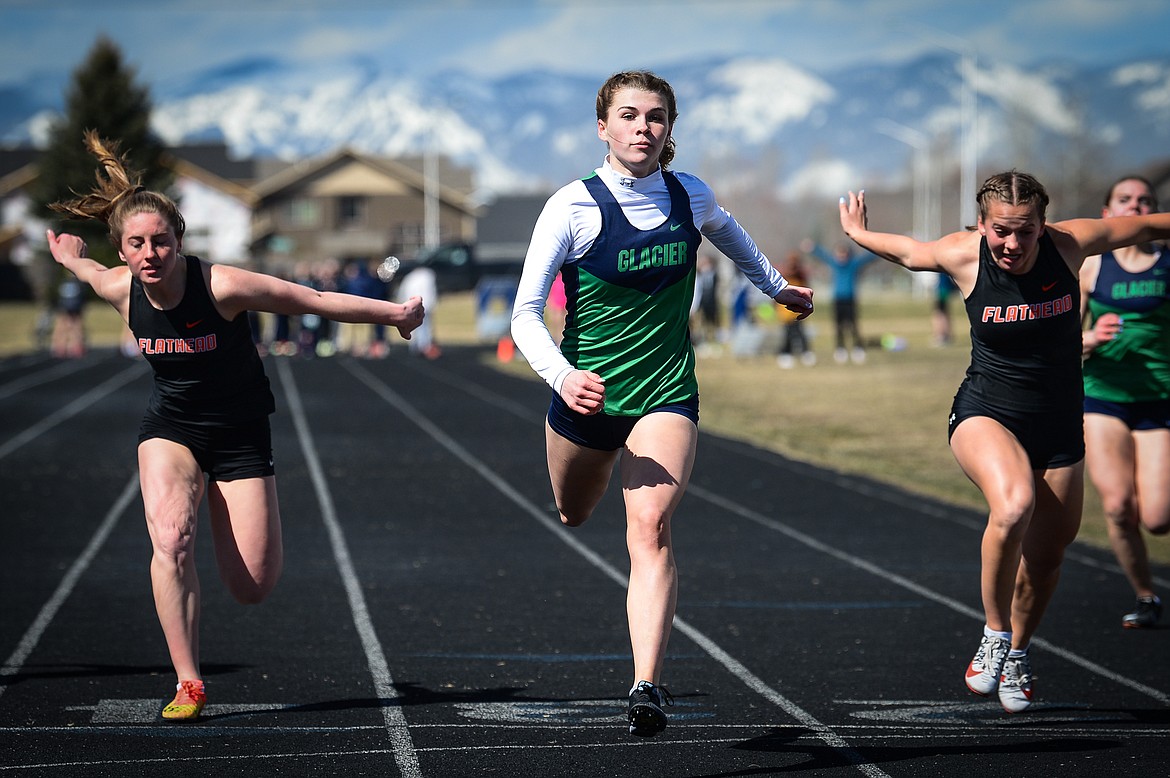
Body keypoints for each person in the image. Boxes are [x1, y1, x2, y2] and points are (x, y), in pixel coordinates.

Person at [44, 131, 425, 722]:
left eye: (161, 242)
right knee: (169, 538)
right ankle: (188, 681)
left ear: (179, 242)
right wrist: (67, 254)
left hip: (242, 434)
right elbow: (85, 266)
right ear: (123, 251)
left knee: (251, 585)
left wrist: (394, 313)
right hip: (170, 429)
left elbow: (314, 300)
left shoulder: (222, 286)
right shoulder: (119, 289)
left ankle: (231, 504)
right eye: (137, 244)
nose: (150, 254)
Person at [510, 70, 813, 737]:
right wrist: (562, 377)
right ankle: (579, 472)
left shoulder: (689, 194)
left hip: (665, 390)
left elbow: (729, 232)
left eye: (655, 117)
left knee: (648, 526)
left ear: (669, 128)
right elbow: (525, 315)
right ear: (603, 127)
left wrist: (774, 287)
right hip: (588, 397)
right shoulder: (572, 207)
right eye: (628, 115)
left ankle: (646, 684)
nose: (642, 128)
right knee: (573, 509)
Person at [839, 170, 1170, 714]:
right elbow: (908, 251)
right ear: (982, 224)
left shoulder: (1071, 245)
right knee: (1014, 503)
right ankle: (994, 633)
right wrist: (857, 233)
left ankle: (1018, 649)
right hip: (986, 412)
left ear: (1044, 225)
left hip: (1060, 423)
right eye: (1001, 232)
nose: (1013, 244)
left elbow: (1148, 224)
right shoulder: (964, 255)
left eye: (1026, 232)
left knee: (1046, 557)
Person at [1080, 175, 1169, 629]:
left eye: (1145, 201)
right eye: (1125, 199)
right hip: (1103, 398)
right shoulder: (1092, 267)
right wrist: (1091, 338)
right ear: (1107, 212)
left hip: (1159, 400)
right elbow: (1061, 344)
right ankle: (1146, 595)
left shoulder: (1167, 261)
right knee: (1116, 505)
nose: (1135, 207)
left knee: (1156, 517)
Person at [801, 238, 878, 363]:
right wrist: (812, 248)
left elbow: (867, 259)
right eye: (839, 253)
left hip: (850, 299)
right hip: (837, 300)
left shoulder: (853, 265)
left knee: (853, 325)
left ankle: (857, 348)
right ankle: (840, 349)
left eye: (843, 253)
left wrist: (880, 249)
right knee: (838, 326)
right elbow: (823, 255)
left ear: (848, 254)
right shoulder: (835, 264)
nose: (841, 256)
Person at [776, 250, 815, 367]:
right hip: (785, 310)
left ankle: (805, 352)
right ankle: (786, 353)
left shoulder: (800, 275)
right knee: (788, 333)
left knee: (799, 332)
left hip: (796, 309)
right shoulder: (783, 274)